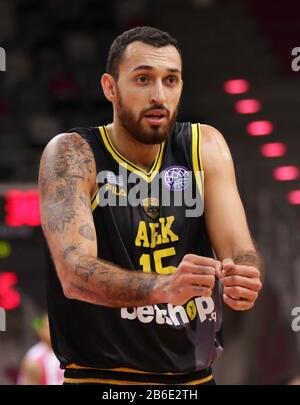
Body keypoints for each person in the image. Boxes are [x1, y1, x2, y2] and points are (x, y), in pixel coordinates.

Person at [38, 26, 263, 385]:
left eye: (170, 80)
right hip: (101, 380)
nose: (159, 95)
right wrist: (163, 287)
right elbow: (74, 273)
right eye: (143, 79)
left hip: (194, 380)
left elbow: (238, 249)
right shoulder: (72, 153)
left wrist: (245, 275)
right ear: (110, 87)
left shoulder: (204, 145)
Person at [18, 314, 64, 385]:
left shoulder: (68, 353)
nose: (53, 331)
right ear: (41, 331)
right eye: (49, 328)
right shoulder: (34, 356)